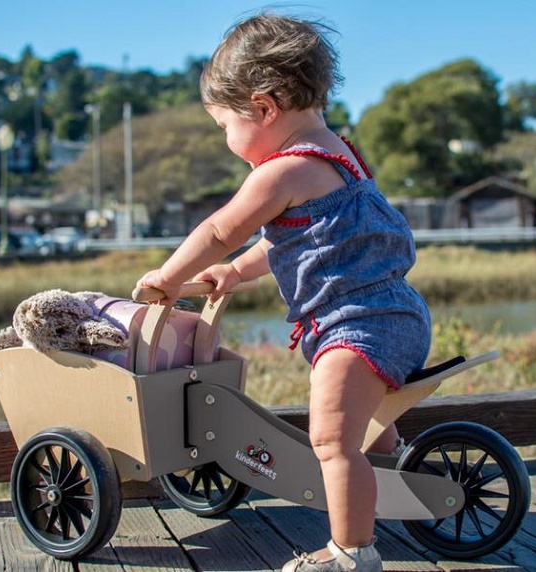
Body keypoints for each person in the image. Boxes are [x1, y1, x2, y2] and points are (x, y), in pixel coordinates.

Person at [136, 12, 431, 572]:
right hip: (395, 315)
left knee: (330, 441)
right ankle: (388, 488)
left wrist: (168, 278)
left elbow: (220, 231)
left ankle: (350, 552)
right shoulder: (342, 158)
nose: (227, 141)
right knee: (366, 427)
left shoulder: (282, 171)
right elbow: (298, 245)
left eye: (225, 125)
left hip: (357, 326)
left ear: (264, 107)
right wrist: (236, 273)